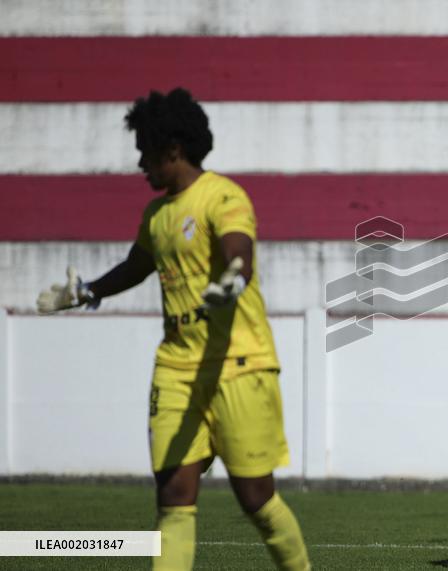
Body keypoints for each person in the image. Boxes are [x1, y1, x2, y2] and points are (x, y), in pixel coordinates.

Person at [35, 88, 310, 571]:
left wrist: (232, 279)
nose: (141, 164)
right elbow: (136, 267)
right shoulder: (157, 215)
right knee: (174, 498)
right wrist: (86, 291)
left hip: (238, 366)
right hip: (176, 368)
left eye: (145, 153)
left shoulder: (223, 196)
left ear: (173, 150)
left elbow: (238, 250)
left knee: (255, 499)